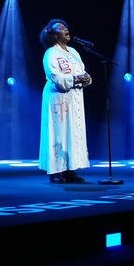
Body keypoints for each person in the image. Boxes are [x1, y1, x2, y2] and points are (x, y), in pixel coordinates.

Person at [39, 19, 93, 184]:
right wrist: (76, 79)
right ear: (54, 35)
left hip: (74, 98)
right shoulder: (51, 53)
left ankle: (70, 169)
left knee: (72, 132)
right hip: (58, 97)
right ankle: (56, 171)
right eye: (61, 28)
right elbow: (56, 77)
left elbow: (82, 73)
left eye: (66, 26)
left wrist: (86, 78)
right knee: (58, 133)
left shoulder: (73, 52)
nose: (66, 29)